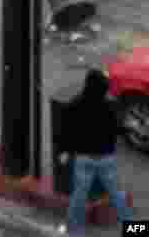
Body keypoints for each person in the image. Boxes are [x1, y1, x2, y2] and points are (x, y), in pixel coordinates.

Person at [59, 69, 133, 236]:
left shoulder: (75, 105)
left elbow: (66, 132)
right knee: (116, 194)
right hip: (106, 158)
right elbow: (118, 129)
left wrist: (65, 151)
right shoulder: (110, 106)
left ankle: (76, 232)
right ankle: (134, 230)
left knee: (79, 196)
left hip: (84, 158)